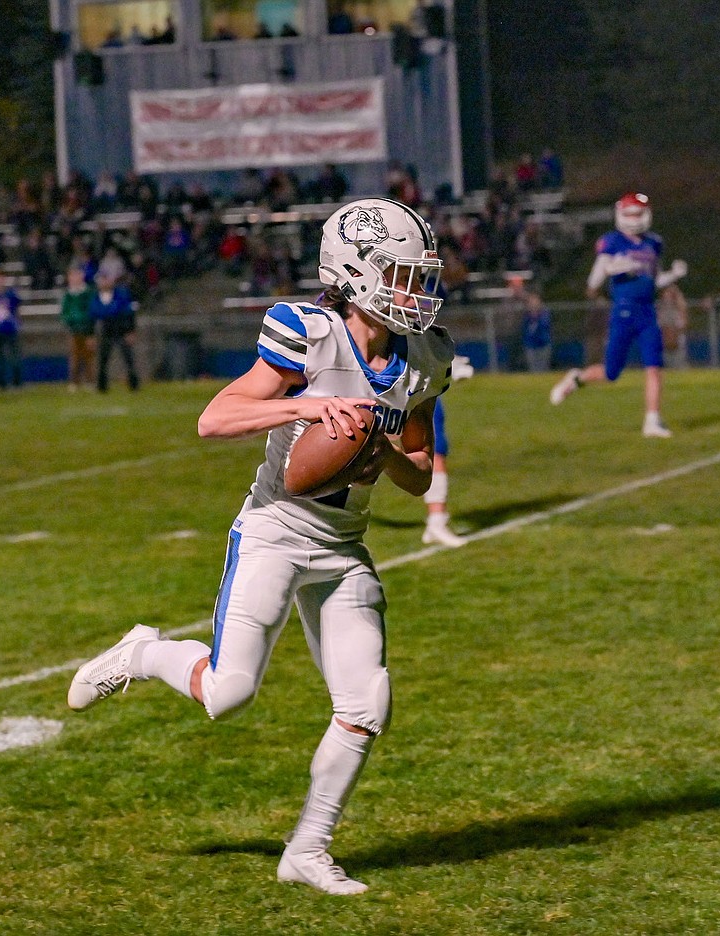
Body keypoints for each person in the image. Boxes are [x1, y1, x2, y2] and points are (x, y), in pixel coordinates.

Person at [67, 197, 455, 896]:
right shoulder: (306, 330)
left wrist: (379, 454)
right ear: (355, 273)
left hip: (343, 544)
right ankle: (144, 652)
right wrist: (306, 405)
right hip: (275, 530)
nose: (414, 292)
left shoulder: (426, 355)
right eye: (400, 275)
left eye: (419, 277)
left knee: (368, 702)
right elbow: (214, 419)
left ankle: (308, 850)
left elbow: (421, 471)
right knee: (228, 694)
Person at [549, 192, 687, 437]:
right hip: (623, 311)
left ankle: (652, 421)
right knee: (611, 373)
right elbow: (593, 282)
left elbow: (655, 280)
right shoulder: (611, 241)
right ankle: (577, 379)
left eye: (638, 213)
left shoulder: (653, 242)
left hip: (647, 311)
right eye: (630, 213)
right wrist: (614, 268)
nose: (634, 219)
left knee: (654, 366)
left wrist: (673, 275)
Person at [422, 355, 473, 547]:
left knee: (435, 445)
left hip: (411, 379)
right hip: (400, 379)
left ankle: (436, 519)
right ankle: (436, 521)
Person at [91, 270, 140, 392]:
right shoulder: (96, 296)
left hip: (121, 329)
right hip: (106, 330)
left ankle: (134, 384)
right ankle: (102, 386)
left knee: (128, 358)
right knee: (103, 359)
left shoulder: (121, 293)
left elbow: (129, 313)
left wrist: (131, 330)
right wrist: (91, 334)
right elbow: (92, 315)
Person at [60, 266, 95, 391]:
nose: (74, 279)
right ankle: (74, 382)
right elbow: (64, 313)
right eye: (72, 276)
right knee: (74, 357)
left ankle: (90, 381)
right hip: (73, 329)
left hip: (87, 329)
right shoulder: (68, 295)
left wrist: (90, 330)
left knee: (88, 356)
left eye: (77, 275)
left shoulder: (87, 293)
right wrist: (71, 322)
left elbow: (91, 311)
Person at [520, 288, 552, 372]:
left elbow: (545, 325)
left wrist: (536, 317)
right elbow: (524, 328)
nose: (533, 302)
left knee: (543, 367)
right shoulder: (526, 314)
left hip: (543, 343)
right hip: (530, 344)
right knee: (533, 368)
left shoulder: (544, 312)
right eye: (531, 301)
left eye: (535, 300)